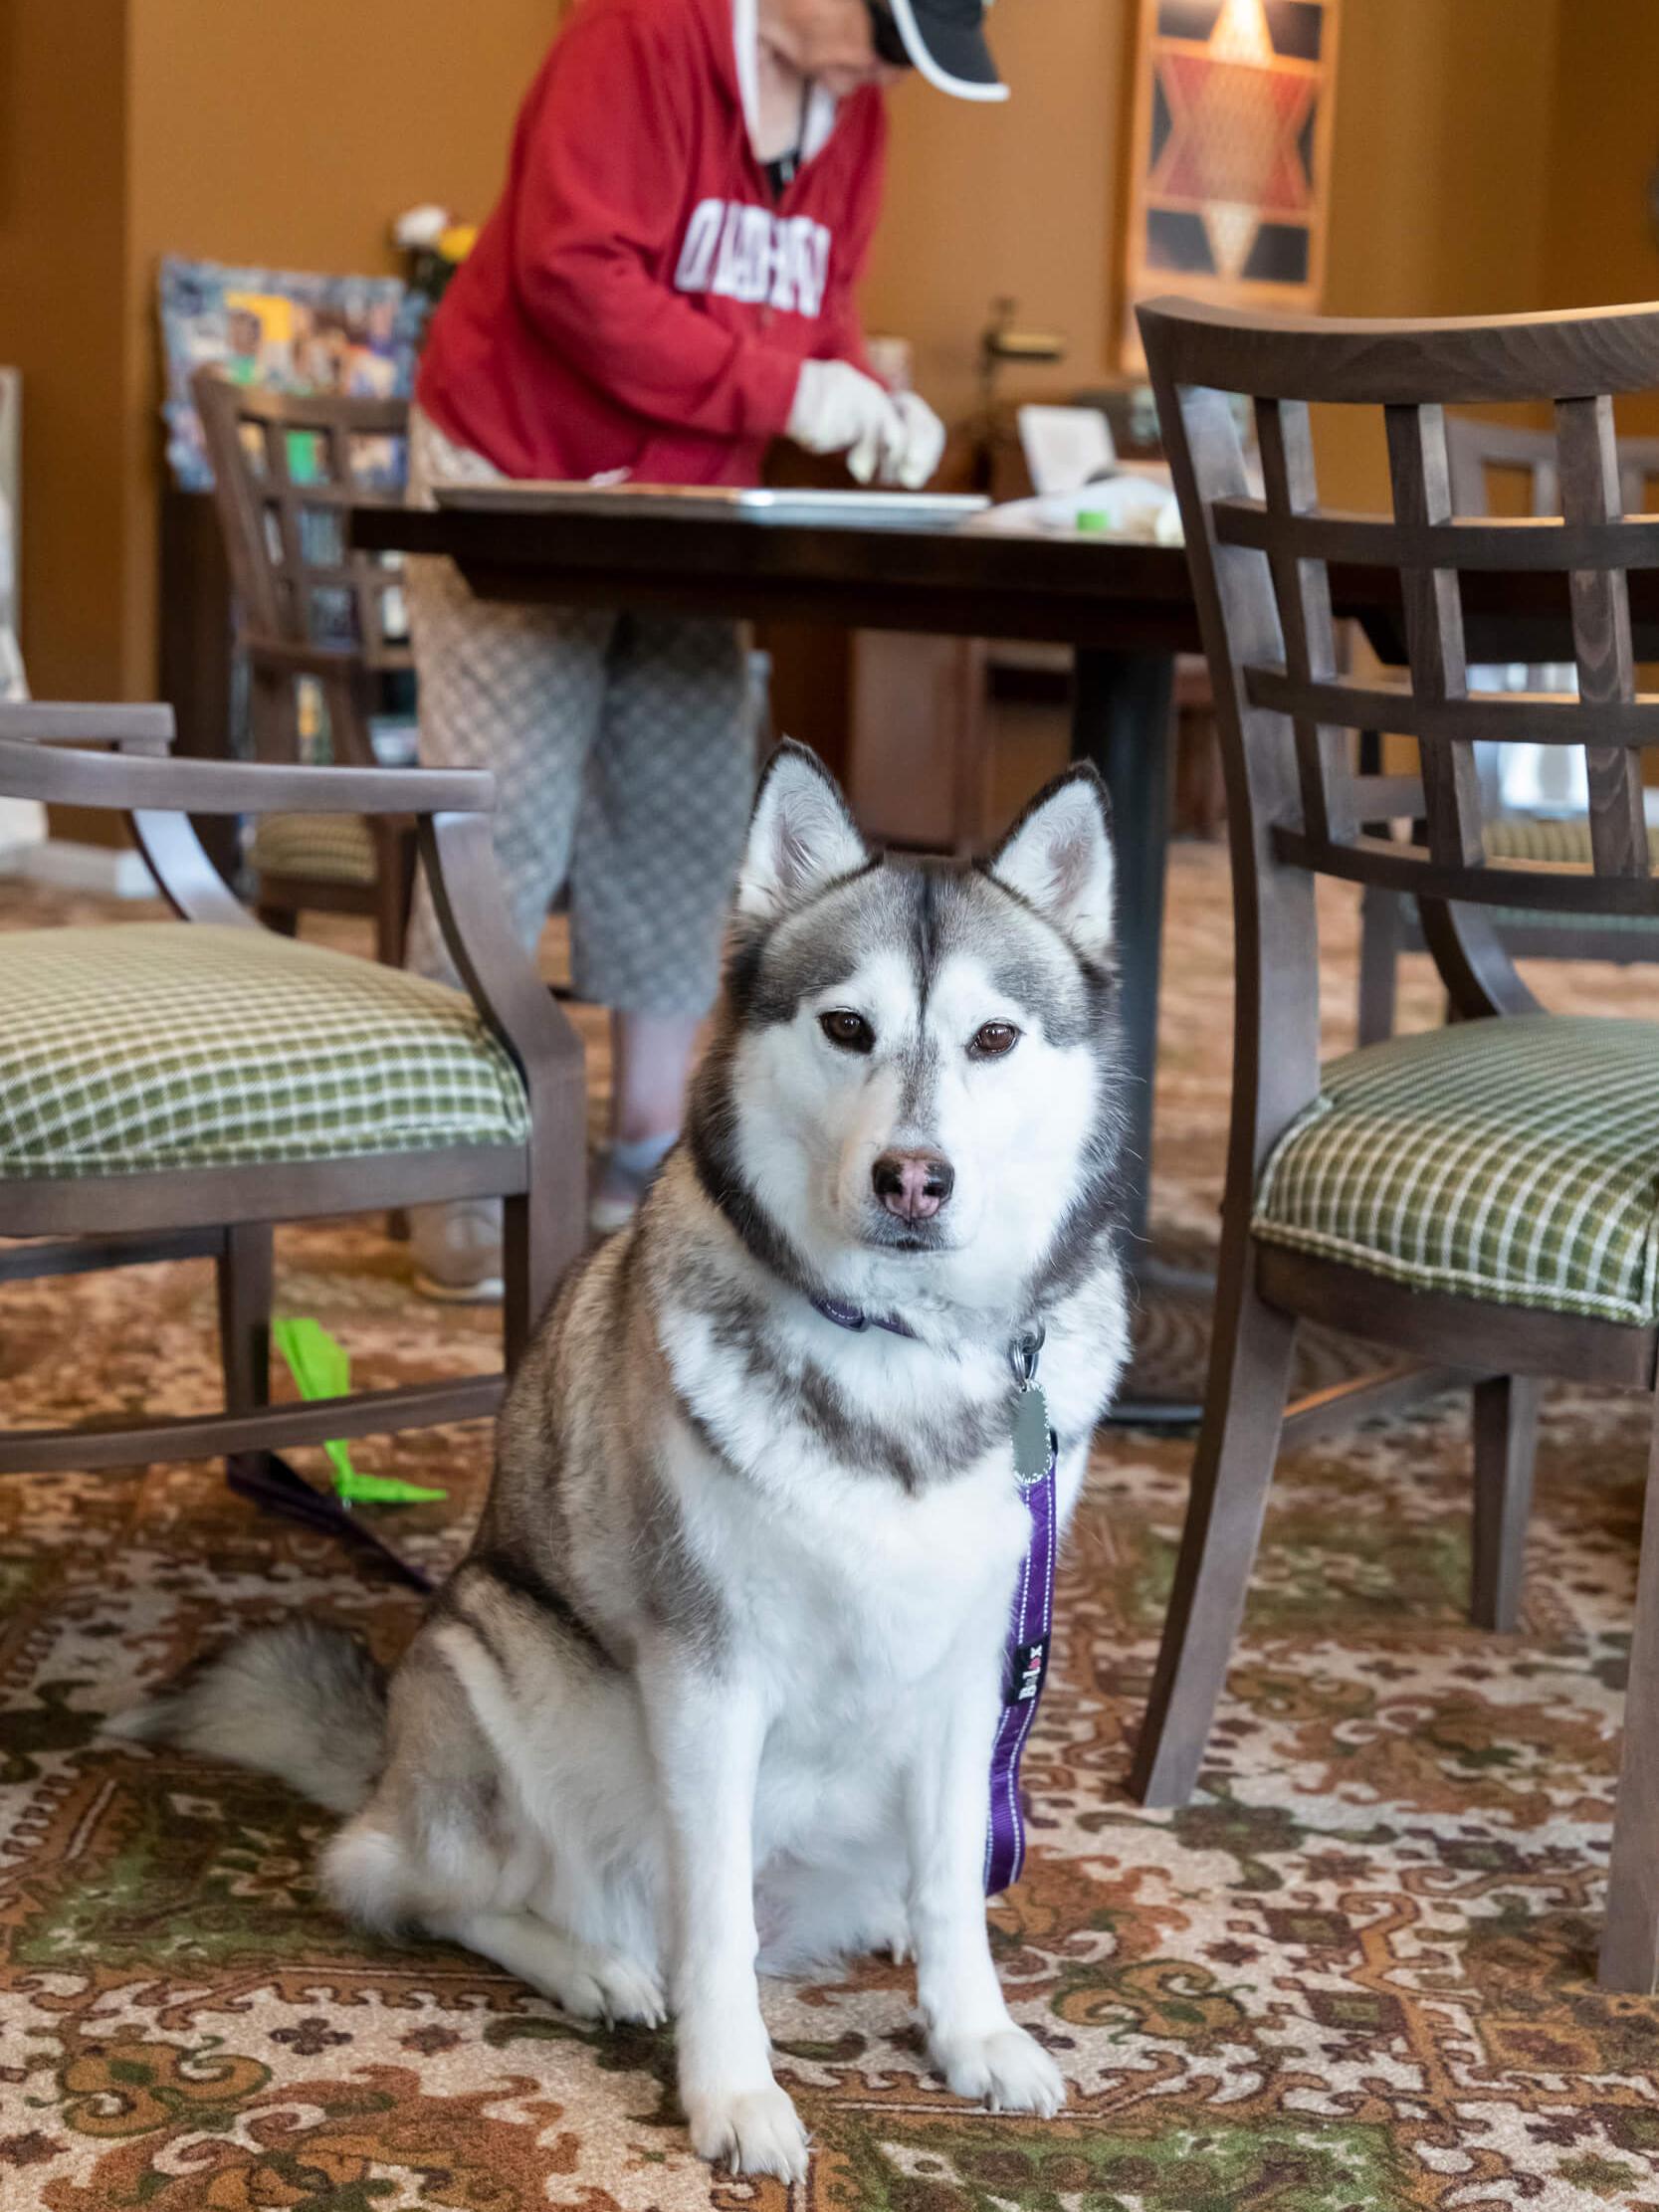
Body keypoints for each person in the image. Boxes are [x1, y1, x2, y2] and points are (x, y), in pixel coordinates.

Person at [404, 0, 1007, 1299]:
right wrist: (792, 393)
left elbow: (817, 305)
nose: (886, 72)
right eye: (886, 35)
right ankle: (456, 1167)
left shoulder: (856, 113)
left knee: (685, 817)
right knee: (503, 823)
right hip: (522, 470)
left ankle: (640, 1147)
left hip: (684, 509)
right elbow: (575, 276)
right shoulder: (638, 37)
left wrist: (862, 391)